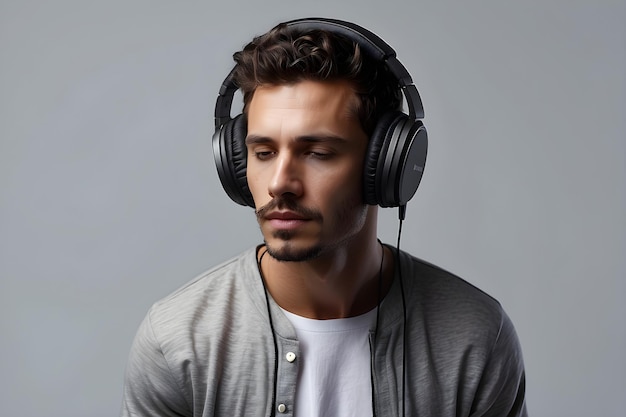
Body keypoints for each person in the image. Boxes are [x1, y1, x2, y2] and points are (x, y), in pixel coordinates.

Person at [120, 18, 527, 417]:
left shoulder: (475, 339)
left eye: (317, 153)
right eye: (263, 153)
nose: (280, 183)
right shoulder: (176, 344)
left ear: (385, 166)